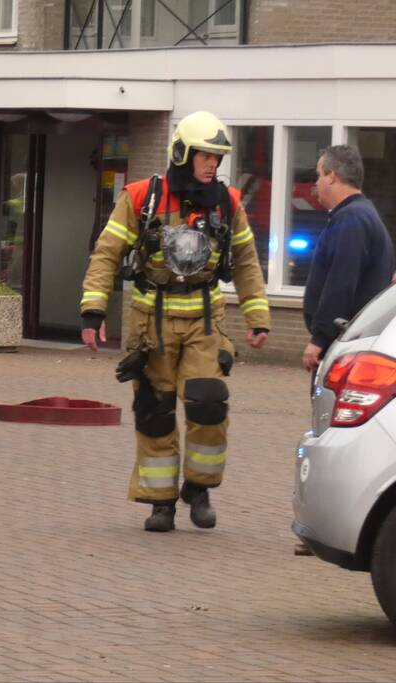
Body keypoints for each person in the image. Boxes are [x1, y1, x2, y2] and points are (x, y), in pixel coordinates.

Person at [79, 111, 271, 532]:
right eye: (205, 156)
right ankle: (160, 501)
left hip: (205, 321)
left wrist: (258, 317)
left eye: (217, 159)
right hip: (152, 324)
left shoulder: (228, 202)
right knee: (155, 411)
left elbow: (246, 264)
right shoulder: (140, 198)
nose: (212, 166)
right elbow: (106, 254)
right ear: (183, 153)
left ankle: (198, 489)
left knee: (207, 404)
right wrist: (93, 312)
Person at [302, 145, 395, 373]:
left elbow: (341, 283)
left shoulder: (352, 220)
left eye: (319, 175)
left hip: (344, 345)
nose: (316, 183)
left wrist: (320, 339)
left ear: (332, 176)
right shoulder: (362, 215)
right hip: (352, 341)